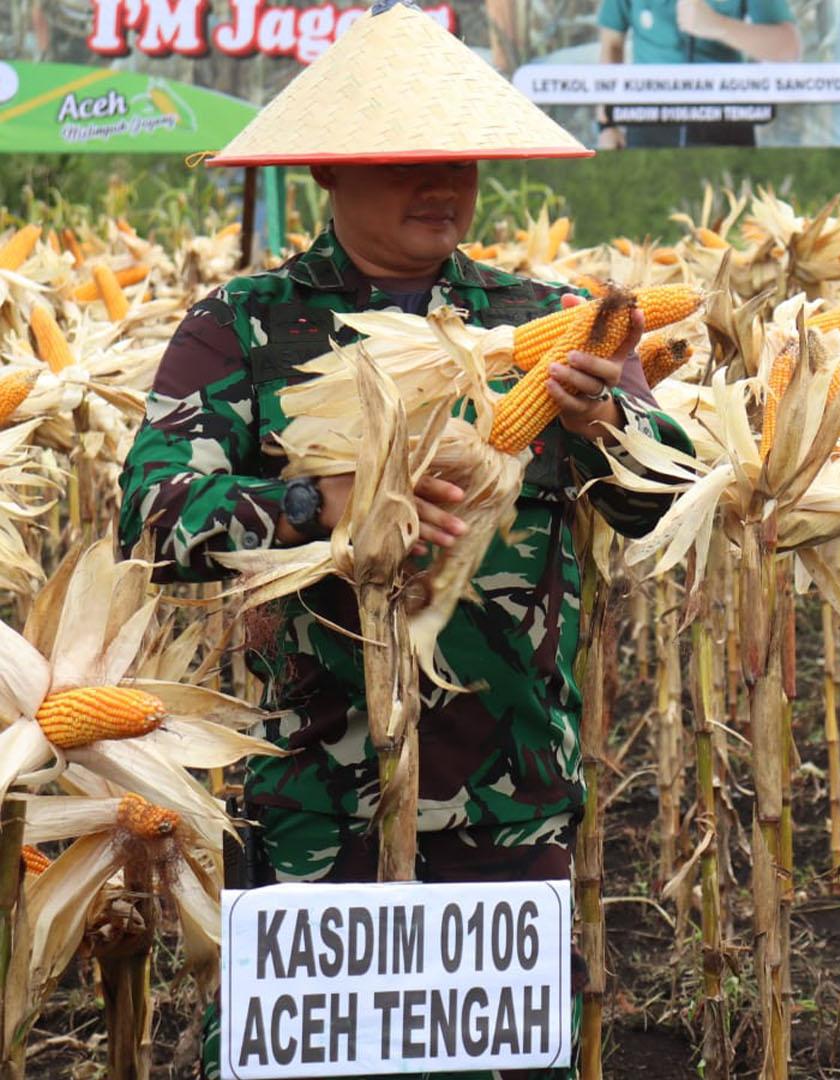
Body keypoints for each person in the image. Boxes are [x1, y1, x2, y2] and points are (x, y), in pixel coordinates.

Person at [115, 4, 689, 1077]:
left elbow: (672, 502)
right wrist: (319, 506)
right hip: (310, 797)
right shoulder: (243, 327)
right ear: (326, 170)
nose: (441, 184)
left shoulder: (551, 317)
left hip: (506, 792)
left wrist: (605, 424)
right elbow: (151, 518)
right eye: (402, 160)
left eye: (458, 158)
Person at [594, 0, 802, 148]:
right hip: (648, 119)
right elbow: (611, 45)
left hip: (726, 116)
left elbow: (787, 47)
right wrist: (606, 125)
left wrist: (717, 25)